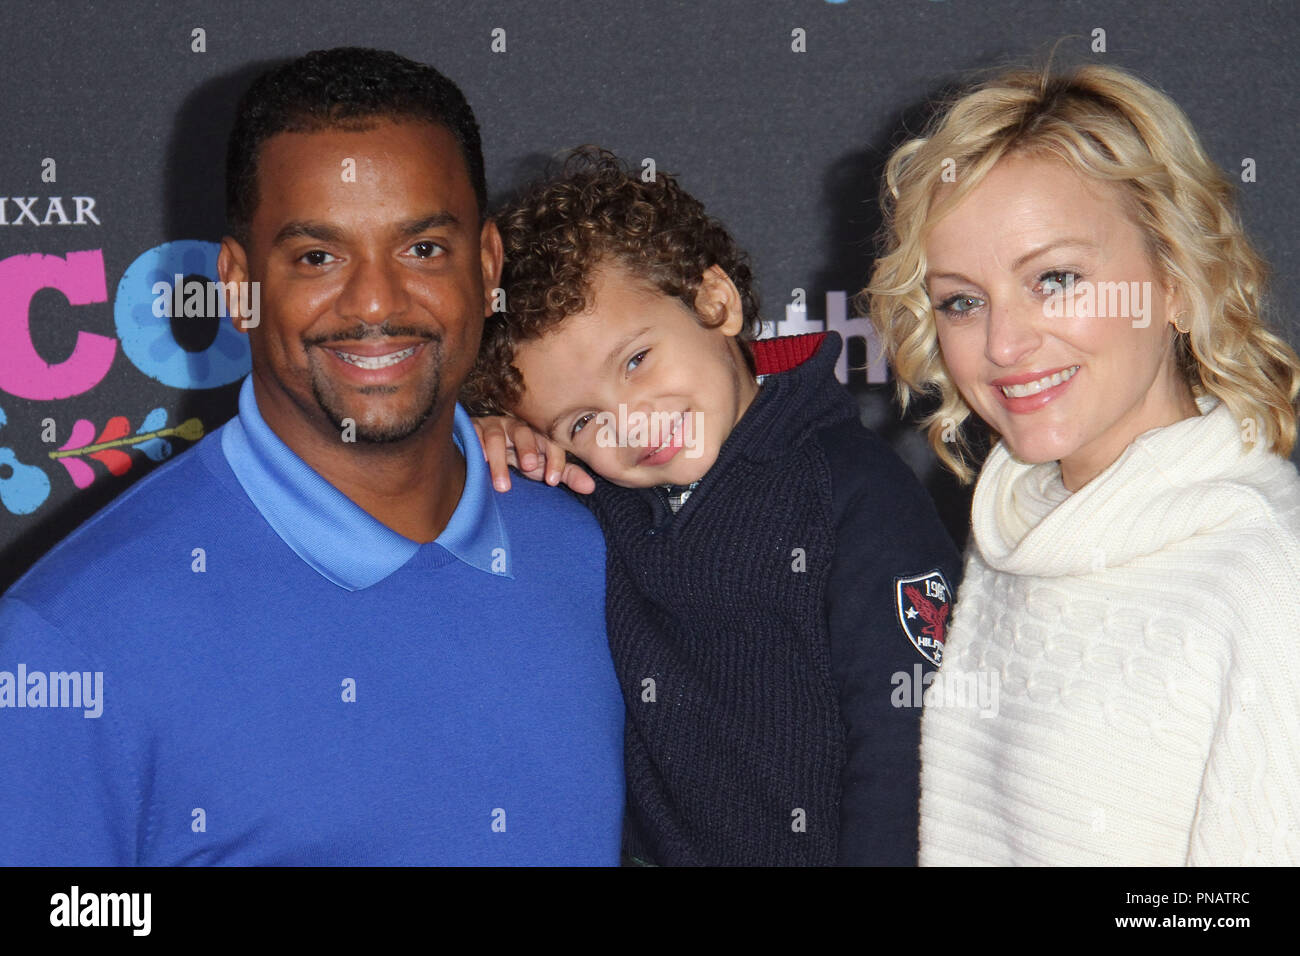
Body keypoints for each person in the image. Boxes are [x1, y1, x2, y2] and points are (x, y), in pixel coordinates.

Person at [0, 47, 624, 866]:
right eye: (317, 257)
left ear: (487, 264)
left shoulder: (592, 550)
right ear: (235, 285)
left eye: (424, 249)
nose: (375, 302)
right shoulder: (65, 641)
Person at [464, 148, 962, 865]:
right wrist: (483, 441)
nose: (629, 423)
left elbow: (911, 740)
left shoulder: (854, 493)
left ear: (715, 302)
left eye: (636, 361)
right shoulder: (588, 506)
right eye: (580, 422)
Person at [867, 61, 1300, 865]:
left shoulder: (1264, 577)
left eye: (1055, 280)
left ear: (1177, 280)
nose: (1002, 345)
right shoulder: (1020, 524)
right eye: (963, 300)